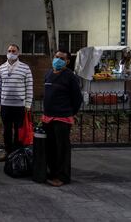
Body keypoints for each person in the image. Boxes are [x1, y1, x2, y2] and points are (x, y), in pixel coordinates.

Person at [43, 49, 83, 187]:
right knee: (51, 148)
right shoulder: (48, 74)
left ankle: (63, 177)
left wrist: (70, 112)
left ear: (67, 61)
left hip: (62, 118)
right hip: (48, 118)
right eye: (56, 57)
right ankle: (53, 173)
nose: (57, 59)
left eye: (61, 58)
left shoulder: (70, 77)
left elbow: (77, 99)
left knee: (62, 149)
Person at [0, 44, 33, 162]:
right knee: (6, 130)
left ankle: (17, 153)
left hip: (20, 106)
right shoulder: (1, 68)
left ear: (18, 53)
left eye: (13, 51)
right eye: (9, 50)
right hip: (5, 105)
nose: (11, 52)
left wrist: (28, 104)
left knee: (18, 130)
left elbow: (29, 86)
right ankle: (7, 151)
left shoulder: (25, 68)